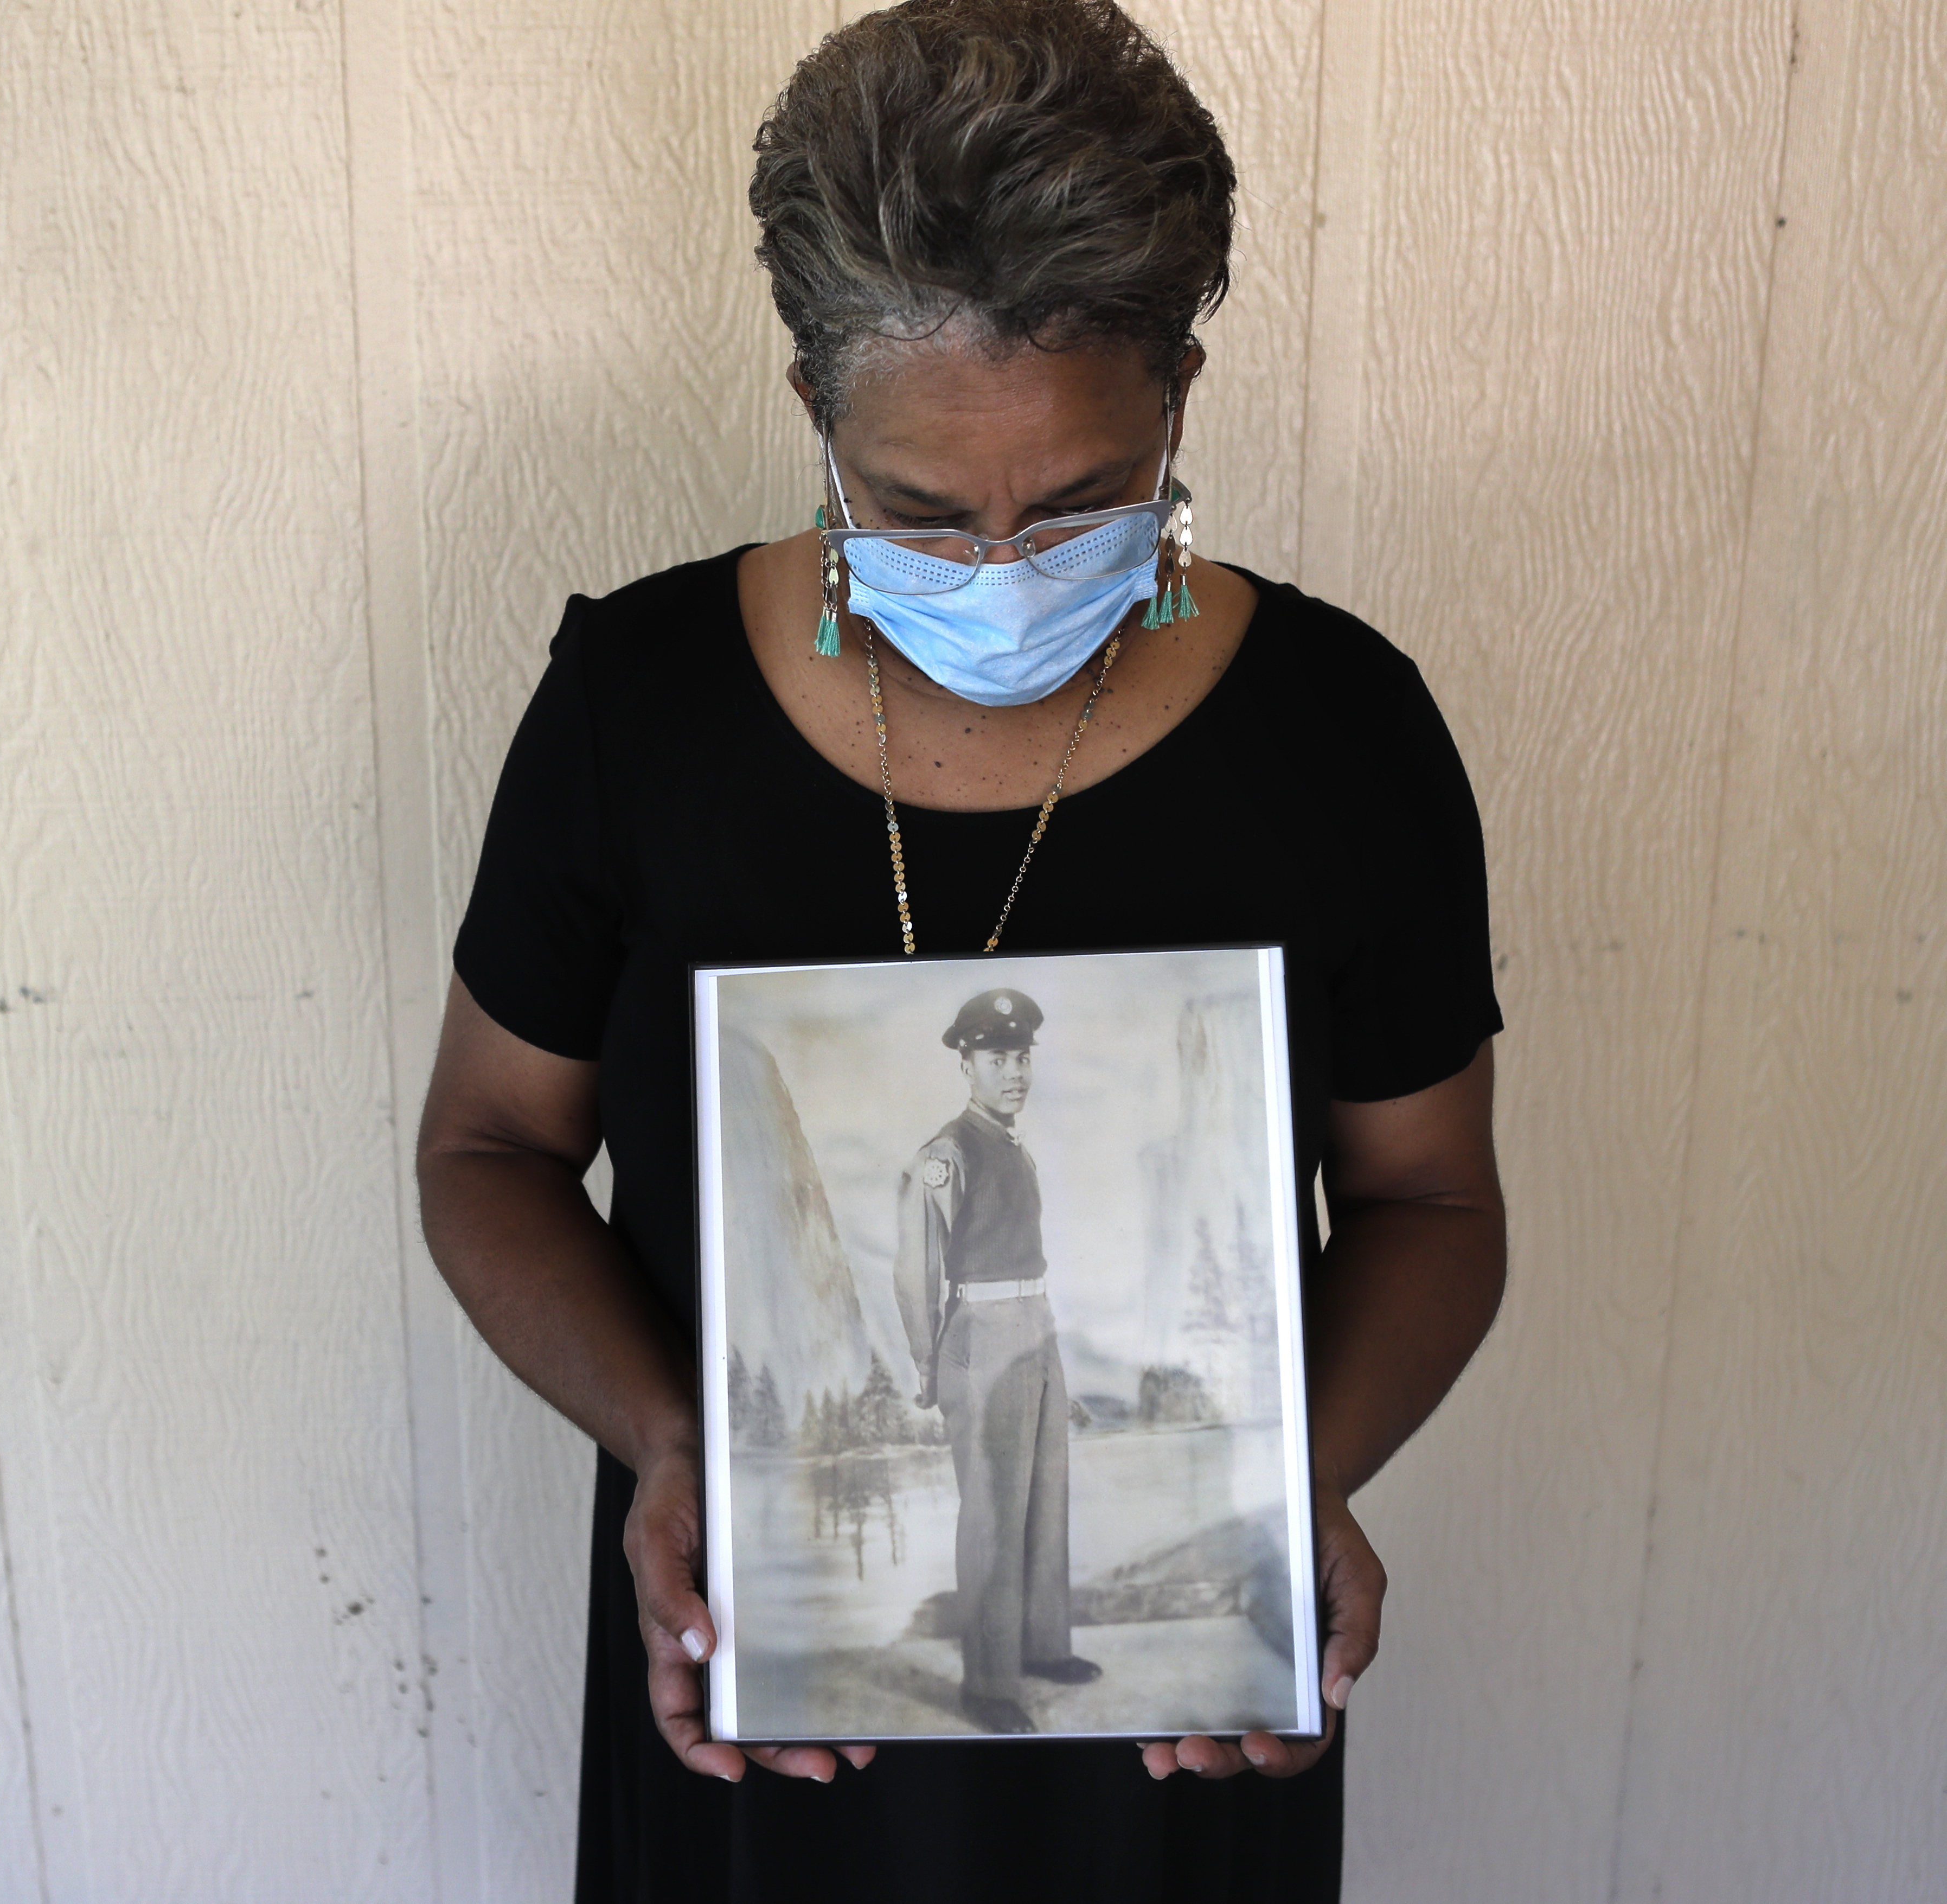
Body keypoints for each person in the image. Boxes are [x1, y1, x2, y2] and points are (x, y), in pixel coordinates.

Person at [416, 1, 1508, 1896]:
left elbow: (1428, 1202)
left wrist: (1280, 1492)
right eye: (918, 511)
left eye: (1081, 503)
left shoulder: (1345, 734)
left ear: (1177, 388)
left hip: (1180, 1767)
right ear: (809, 403)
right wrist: (675, 1448)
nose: (999, 568)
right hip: (761, 1714)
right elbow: (483, 1152)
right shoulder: (635, 710)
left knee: (1043, 1530)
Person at [892, 987, 1097, 1734]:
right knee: (991, 1513)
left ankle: (1041, 1648)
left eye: (1021, 1056)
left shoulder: (1014, 1145)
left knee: (1046, 1499)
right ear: (966, 1062)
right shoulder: (946, 1154)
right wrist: (925, 1361)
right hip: (982, 1333)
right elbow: (917, 1270)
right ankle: (986, 1683)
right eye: (997, 1057)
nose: (1014, 1071)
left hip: (1035, 1326)